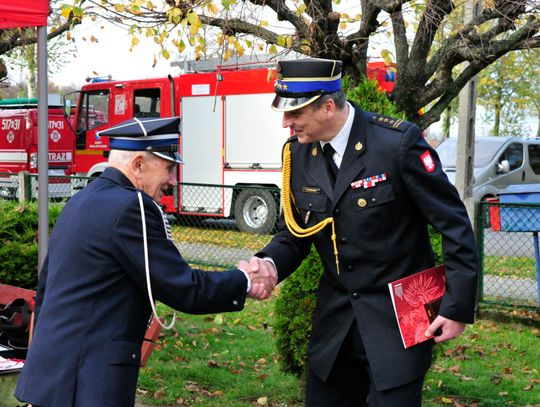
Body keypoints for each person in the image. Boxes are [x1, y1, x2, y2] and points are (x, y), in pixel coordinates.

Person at [249, 58, 478, 406]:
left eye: (294, 113)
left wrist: (456, 306)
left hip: (402, 319)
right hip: (336, 326)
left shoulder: (396, 143)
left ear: (327, 106)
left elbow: (453, 221)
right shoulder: (297, 154)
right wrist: (269, 264)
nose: (286, 122)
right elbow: (294, 234)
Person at [14, 116, 275, 407]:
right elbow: (185, 289)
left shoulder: (82, 200)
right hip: (87, 381)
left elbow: (47, 288)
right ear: (138, 164)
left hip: (52, 377)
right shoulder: (131, 207)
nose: (172, 181)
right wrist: (247, 280)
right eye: (168, 168)